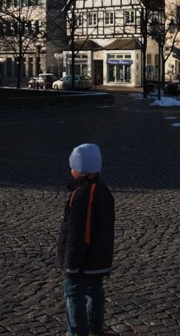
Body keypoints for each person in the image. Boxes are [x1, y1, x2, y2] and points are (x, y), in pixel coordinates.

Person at [60, 143, 115, 336]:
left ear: (80, 170)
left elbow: (78, 233)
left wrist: (71, 264)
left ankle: (78, 333)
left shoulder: (82, 195)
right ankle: (95, 329)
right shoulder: (103, 191)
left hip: (84, 260)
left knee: (74, 294)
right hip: (99, 258)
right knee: (95, 290)